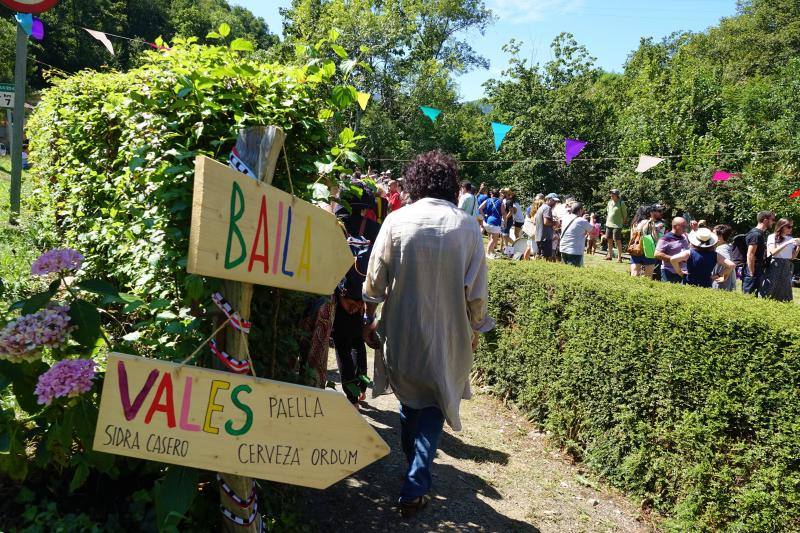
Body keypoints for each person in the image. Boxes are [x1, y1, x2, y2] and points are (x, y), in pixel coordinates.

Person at [362, 150, 493, 518]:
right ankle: (417, 477)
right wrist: (478, 325)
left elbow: (375, 279)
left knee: (410, 397)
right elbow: (476, 289)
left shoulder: (397, 220)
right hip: (450, 330)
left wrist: (369, 316)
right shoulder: (467, 225)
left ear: (414, 183)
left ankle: (414, 472)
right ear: (452, 186)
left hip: (403, 328)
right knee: (435, 398)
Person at [332, 182, 381, 405]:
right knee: (357, 342)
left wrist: (339, 295)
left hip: (340, 292)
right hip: (363, 293)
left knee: (342, 344)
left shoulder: (336, 225)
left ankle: (351, 395)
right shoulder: (374, 228)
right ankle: (361, 387)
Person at [669, 228, 735, 288]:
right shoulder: (716, 255)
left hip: (688, 284)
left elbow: (673, 259)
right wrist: (720, 275)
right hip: (706, 285)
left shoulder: (689, 253)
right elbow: (731, 265)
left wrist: (679, 272)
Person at [760, 218, 799, 301]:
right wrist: (787, 243)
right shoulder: (772, 237)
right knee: (769, 290)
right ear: (782, 226)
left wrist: (798, 247)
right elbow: (773, 252)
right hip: (774, 265)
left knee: (785, 292)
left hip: (786, 266)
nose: (791, 229)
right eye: (788, 226)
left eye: (792, 226)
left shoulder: (790, 238)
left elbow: (792, 257)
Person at [743, 211, 776, 295]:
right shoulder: (756, 234)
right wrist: (751, 272)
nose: (774, 222)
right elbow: (750, 254)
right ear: (765, 220)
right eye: (772, 219)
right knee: (749, 296)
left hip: (757, 268)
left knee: (755, 295)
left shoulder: (760, 234)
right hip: (753, 268)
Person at [631, 204, 664, 278]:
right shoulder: (649, 222)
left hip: (636, 249)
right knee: (647, 277)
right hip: (648, 249)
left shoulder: (635, 223)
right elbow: (655, 238)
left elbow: (632, 237)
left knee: (634, 274)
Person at [654, 217, 689, 283]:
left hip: (684, 272)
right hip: (669, 273)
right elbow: (657, 254)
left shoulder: (684, 237)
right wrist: (675, 259)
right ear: (675, 226)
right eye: (683, 226)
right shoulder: (665, 238)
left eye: (686, 226)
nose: (685, 228)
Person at [479, 189, 504, 258]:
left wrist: (484, 215)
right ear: (498, 195)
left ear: (491, 194)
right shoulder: (500, 202)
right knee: (493, 240)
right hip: (495, 223)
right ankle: (487, 253)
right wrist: (505, 221)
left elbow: (480, 208)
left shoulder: (487, 200)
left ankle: (492, 252)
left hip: (487, 222)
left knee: (490, 238)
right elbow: (503, 213)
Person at [604, 189, 628, 263]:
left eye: (612, 194)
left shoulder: (621, 203)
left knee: (617, 241)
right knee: (609, 240)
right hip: (608, 224)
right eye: (611, 194)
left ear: (617, 195)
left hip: (617, 225)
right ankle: (609, 256)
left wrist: (623, 223)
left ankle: (619, 258)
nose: (611, 196)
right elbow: (608, 212)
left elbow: (625, 215)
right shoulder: (609, 202)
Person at [712, 224, 737, 291]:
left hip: (721, 285)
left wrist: (719, 275)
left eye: (713, 234)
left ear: (720, 237)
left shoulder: (722, 249)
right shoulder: (726, 246)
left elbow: (731, 265)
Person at [534, 193, 558, 261]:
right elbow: (546, 222)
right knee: (545, 259)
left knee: (539, 257)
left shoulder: (541, 207)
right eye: (554, 201)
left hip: (540, 237)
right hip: (545, 238)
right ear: (549, 199)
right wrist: (555, 223)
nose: (555, 203)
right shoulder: (547, 208)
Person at [523, 196, 544, 261]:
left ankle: (525, 260)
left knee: (529, 247)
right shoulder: (538, 214)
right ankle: (534, 263)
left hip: (531, 233)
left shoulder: (533, 212)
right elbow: (536, 223)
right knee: (535, 250)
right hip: (535, 233)